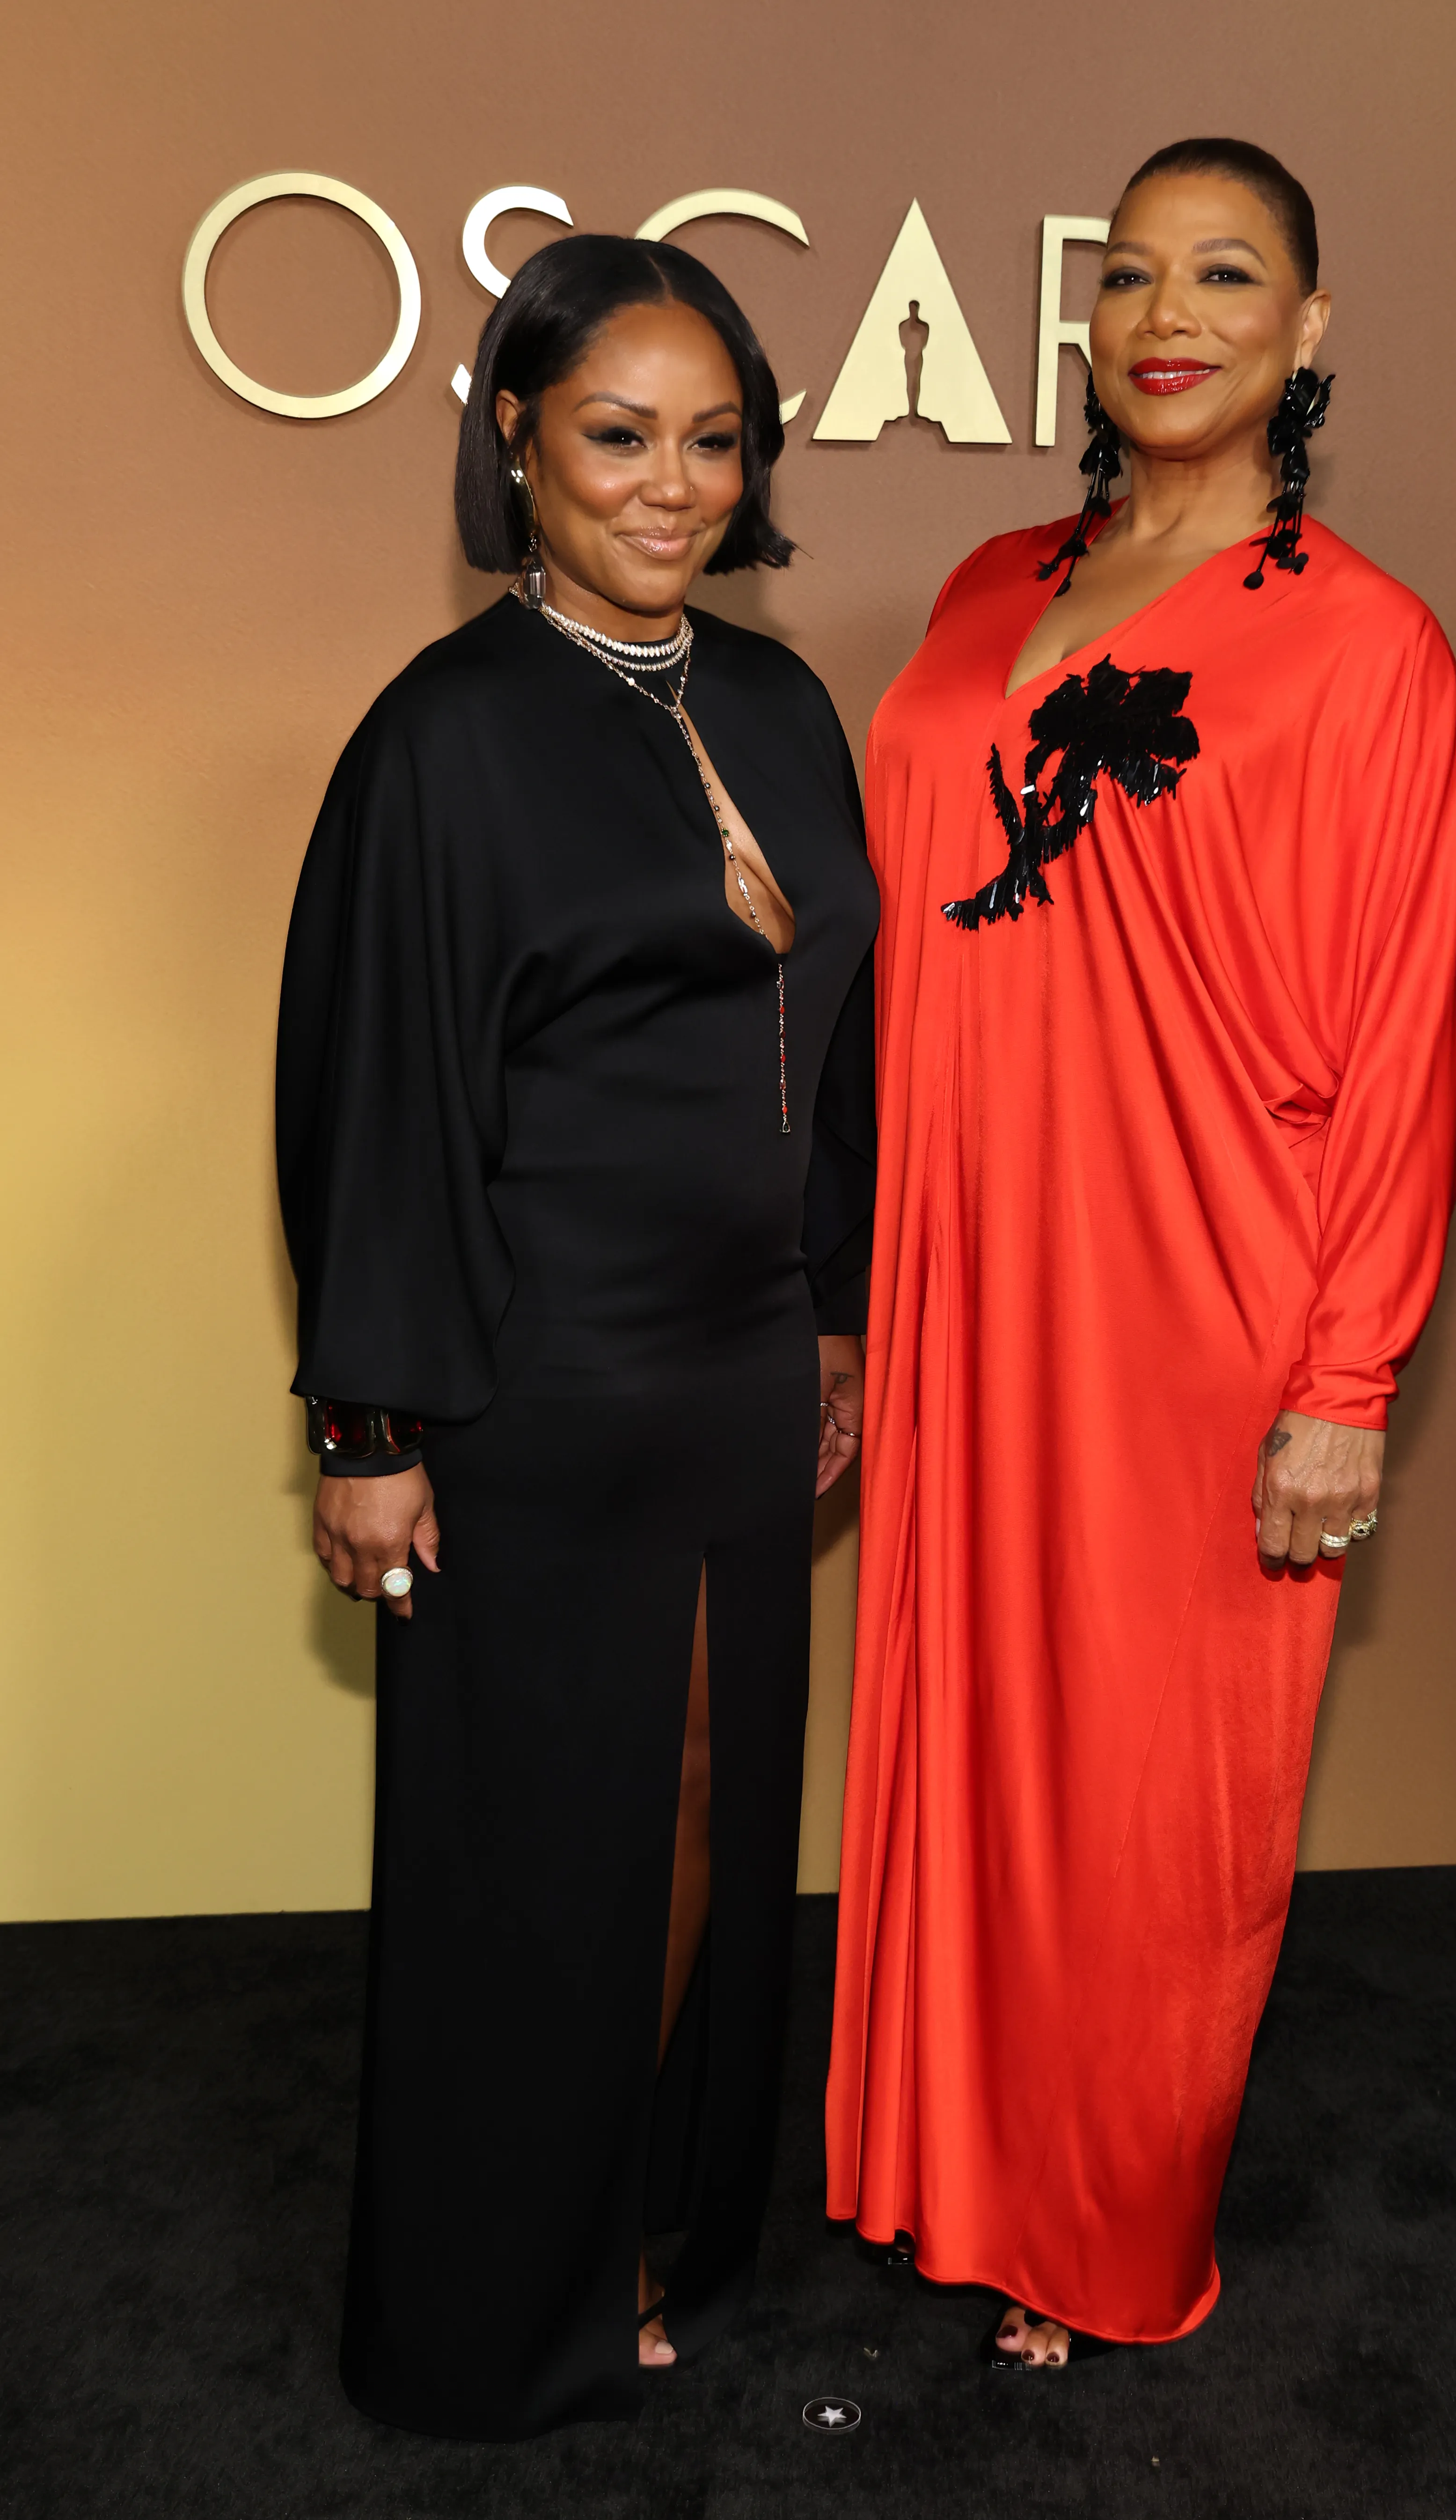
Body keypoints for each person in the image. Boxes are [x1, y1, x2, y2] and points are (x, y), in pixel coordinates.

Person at [825, 138, 1456, 2368]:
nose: (1166, 313)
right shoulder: (990, 577)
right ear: (1081, 326)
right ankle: (957, 2174)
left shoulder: (1368, 647)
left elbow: (1408, 1039)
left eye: (1228, 275)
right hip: (967, 1279)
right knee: (972, 1744)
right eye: (1128, 275)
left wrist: (1347, 1379)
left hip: (1202, 1304)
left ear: (1312, 334)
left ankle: (1103, 2224)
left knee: (1145, 1808)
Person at [277, 234, 878, 2437]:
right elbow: (377, 1094)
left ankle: (639, 2211)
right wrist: (370, 1421)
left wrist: (836, 1302)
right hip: (532, 1379)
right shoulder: (443, 740)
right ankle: (484, 2291)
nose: (671, 484)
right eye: (619, 435)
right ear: (514, 436)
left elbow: (838, 1027)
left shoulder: (782, 700)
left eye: (714, 440)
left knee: (708, 1795)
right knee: (535, 1843)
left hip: (733, 1365)